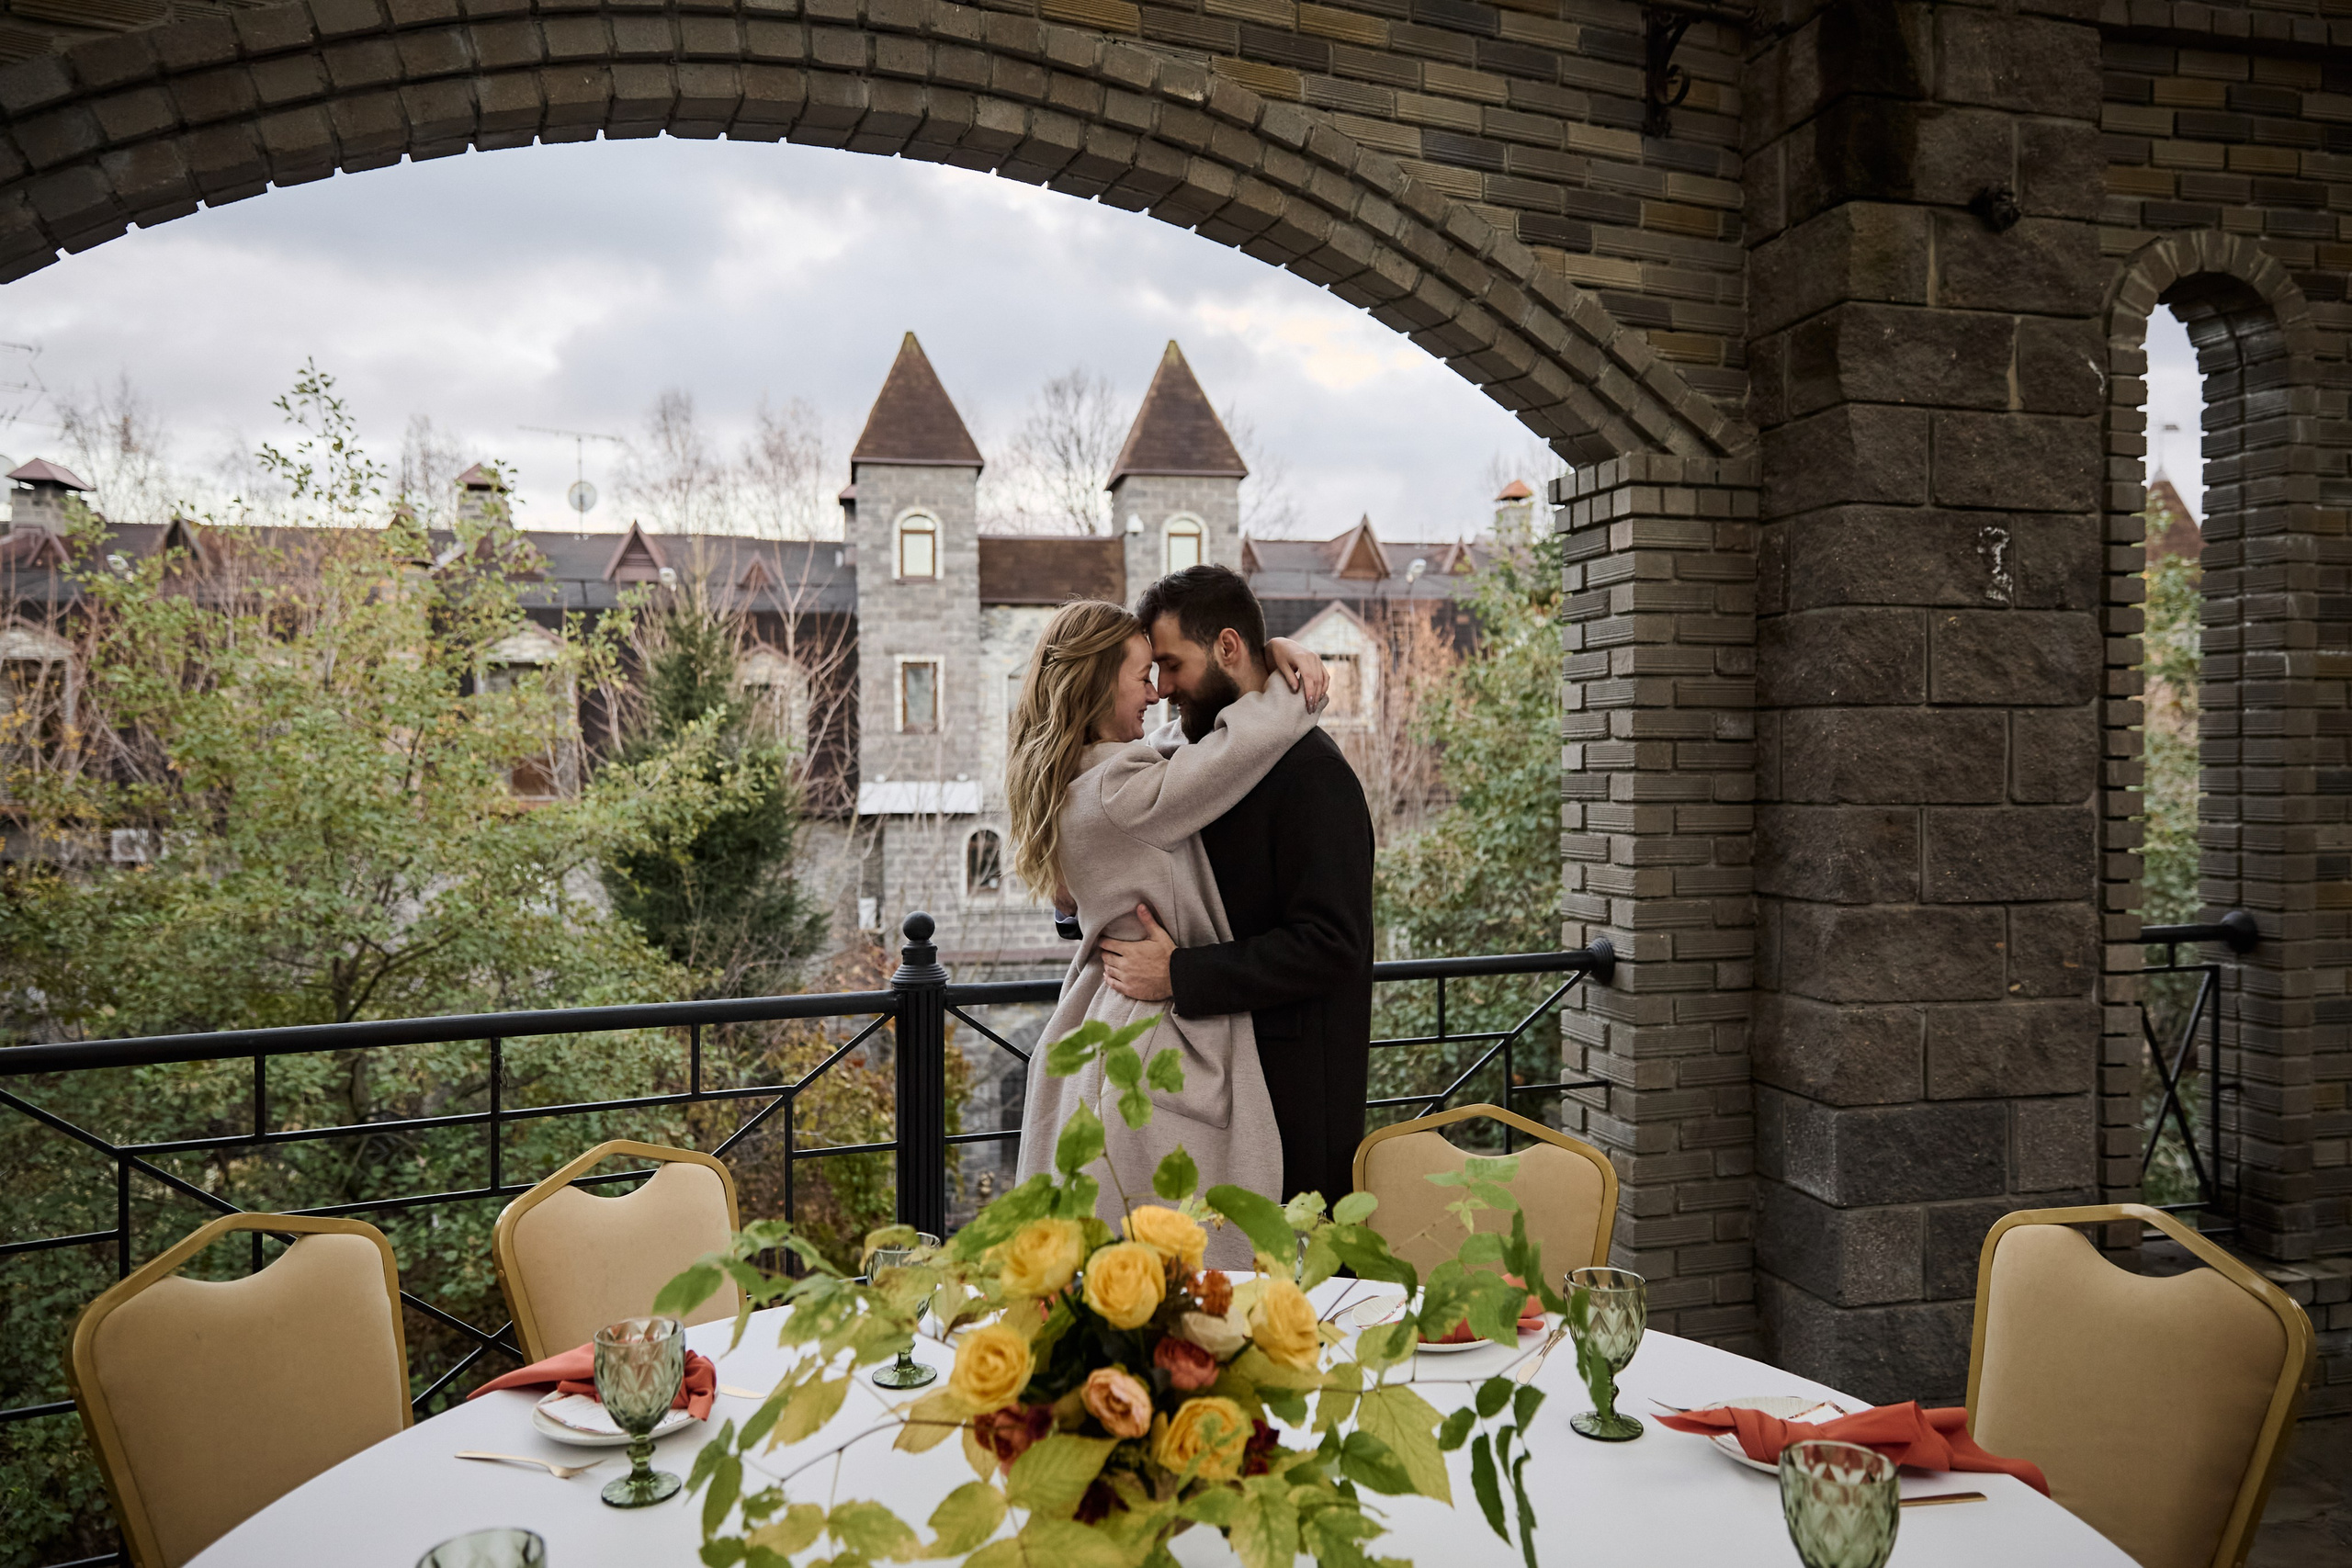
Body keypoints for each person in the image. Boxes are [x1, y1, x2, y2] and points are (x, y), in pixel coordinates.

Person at [1006, 600, 1329, 1265]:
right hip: (1153, 1033)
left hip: (1098, 1024)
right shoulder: (1121, 791)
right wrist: (1285, 677)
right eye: (1142, 677)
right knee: (1183, 1262)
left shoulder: (1083, 778)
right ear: (1099, 686)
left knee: (1108, 1266)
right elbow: (1235, 750)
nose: (1156, 694)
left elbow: (1180, 753)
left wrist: (1269, 648)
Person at [1100, 564, 1376, 1209]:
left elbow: (1332, 944)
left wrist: (1180, 974)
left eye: (1173, 665)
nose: (1163, 690)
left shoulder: (1314, 775)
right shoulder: (1196, 760)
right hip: (1204, 1096)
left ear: (1228, 647)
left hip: (1290, 1101)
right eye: (1154, 672)